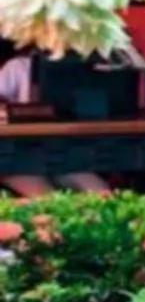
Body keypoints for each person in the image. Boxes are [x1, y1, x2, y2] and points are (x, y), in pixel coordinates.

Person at [0, 41, 113, 198]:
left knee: (99, 192)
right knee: (47, 198)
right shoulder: (18, 66)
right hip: (15, 153)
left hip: (62, 150)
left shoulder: (78, 69)